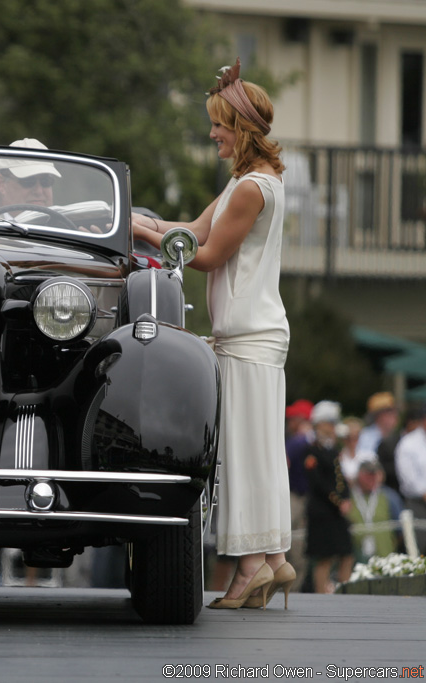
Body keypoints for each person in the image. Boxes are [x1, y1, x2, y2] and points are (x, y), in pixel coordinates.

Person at [132, 58, 291, 609]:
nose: (212, 134)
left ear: (241, 127)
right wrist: (133, 223)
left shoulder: (250, 189)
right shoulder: (249, 182)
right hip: (257, 329)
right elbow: (189, 231)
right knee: (260, 448)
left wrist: (134, 228)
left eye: (219, 124)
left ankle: (250, 569)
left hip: (247, 332)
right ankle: (274, 560)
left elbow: (206, 254)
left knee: (239, 453)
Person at [303, 400, 354, 593]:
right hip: (322, 511)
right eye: (330, 424)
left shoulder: (332, 449)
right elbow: (319, 483)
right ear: (320, 424)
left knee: (346, 553)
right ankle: (320, 593)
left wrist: (346, 498)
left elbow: (340, 478)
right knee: (324, 558)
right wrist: (338, 501)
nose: (333, 428)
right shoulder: (312, 451)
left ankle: (344, 590)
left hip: (335, 511)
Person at [283, 399, 314, 592]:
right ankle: (292, 589)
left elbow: (284, 463)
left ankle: (288, 588)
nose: (289, 421)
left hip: (294, 496)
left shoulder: (297, 441)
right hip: (303, 498)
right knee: (297, 547)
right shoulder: (309, 439)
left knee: (289, 544)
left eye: (293, 418)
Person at [347, 460, 401, 563]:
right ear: (359, 475)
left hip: (385, 559)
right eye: (367, 475)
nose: (371, 479)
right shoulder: (349, 497)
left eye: (374, 475)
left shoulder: (389, 496)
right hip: (355, 558)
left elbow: (400, 530)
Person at [395, 404, 426, 553]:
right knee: (418, 546)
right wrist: (423, 492)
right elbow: (407, 476)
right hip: (418, 502)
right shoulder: (408, 443)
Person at [356, 391, 399, 459]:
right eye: (390, 412)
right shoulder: (366, 437)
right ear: (378, 416)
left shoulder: (399, 437)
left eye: (395, 411)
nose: (395, 416)